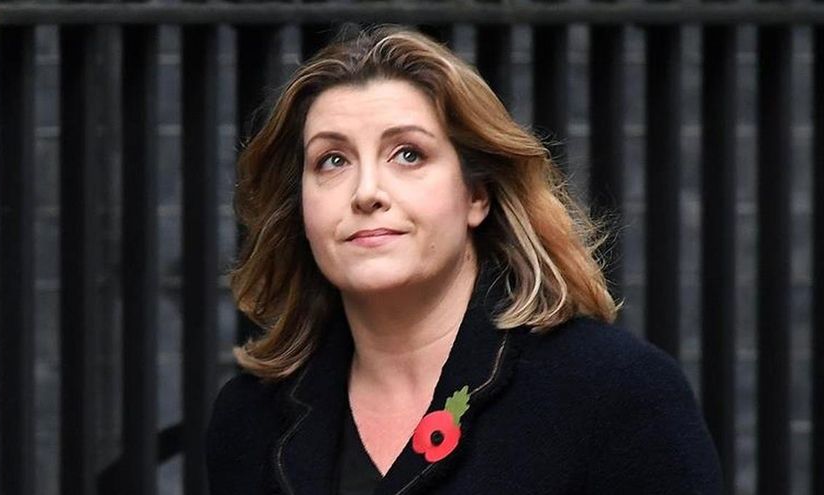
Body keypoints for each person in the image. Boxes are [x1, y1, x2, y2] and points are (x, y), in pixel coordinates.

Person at [206, 25, 723, 495]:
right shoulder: (250, 419)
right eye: (332, 160)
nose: (366, 192)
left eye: (408, 154)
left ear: (476, 195)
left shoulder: (614, 390)